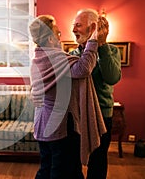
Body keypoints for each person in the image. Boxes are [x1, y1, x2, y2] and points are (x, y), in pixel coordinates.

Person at [29, 15, 107, 179]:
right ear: (50, 39)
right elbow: (84, 68)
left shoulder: (38, 58)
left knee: (47, 166)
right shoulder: (54, 57)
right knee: (61, 169)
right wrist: (93, 39)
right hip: (58, 125)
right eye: (58, 34)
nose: (61, 35)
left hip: (43, 123)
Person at [69, 8, 122, 179]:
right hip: (78, 116)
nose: (73, 29)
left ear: (92, 28)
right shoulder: (72, 54)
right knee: (73, 160)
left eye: (78, 25)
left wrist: (103, 46)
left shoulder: (111, 51)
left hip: (102, 114)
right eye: (73, 25)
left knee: (98, 161)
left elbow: (112, 77)